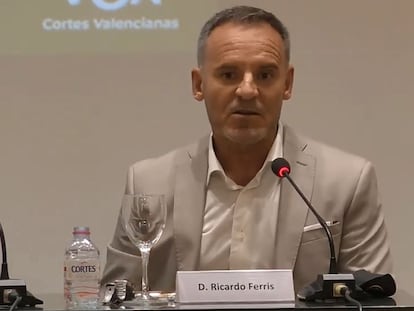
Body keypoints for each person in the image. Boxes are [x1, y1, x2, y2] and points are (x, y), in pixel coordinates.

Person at [101, 5, 392, 293]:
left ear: (287, 84)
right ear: (198, 84)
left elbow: (374, 298)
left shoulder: (347, 182)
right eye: (229, 75)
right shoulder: (150, 181)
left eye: (265, 75)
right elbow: (115, 296)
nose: (247, 90)